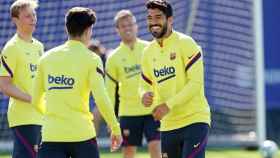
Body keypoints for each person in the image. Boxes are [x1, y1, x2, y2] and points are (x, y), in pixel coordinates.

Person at [32, 7, 122, 158]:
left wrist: (53, 117)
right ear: (88, 30)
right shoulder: (92, 59)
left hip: (51, 136)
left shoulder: (45, 59)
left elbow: (35, 100)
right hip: (83, 136)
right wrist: (115, 127)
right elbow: (101, 98)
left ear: (67, 29)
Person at [140, 0, 211, 158]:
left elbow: (195, 84)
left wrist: (168, 105)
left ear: (170, 19)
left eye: (158, 17)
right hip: (168, 125)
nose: (153, 22)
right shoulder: (147, 52)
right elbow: (144, 84)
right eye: (150, 18)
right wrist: (143, 95)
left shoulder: (186, 43)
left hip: (195, 119)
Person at [105, 10, 161, 158]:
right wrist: (111, 120)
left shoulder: (150, 48)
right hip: (128, 112)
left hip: (152, 109)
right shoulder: (113, 58)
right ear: (117, 30)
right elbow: (109, 92)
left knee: (156, 147)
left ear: (137, 26)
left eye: (131, 24)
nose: (128, 28)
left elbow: (162, 78)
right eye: (123, 26)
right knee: (129, 152)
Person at [0, 0, 44, 157]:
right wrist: (31, 98)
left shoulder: (39, 46)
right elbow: (4, 85)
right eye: (27, 16)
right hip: (23, 118)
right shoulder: (11, 48)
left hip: (42, 115)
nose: (33, 19)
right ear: (15, 20)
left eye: (34, 15)